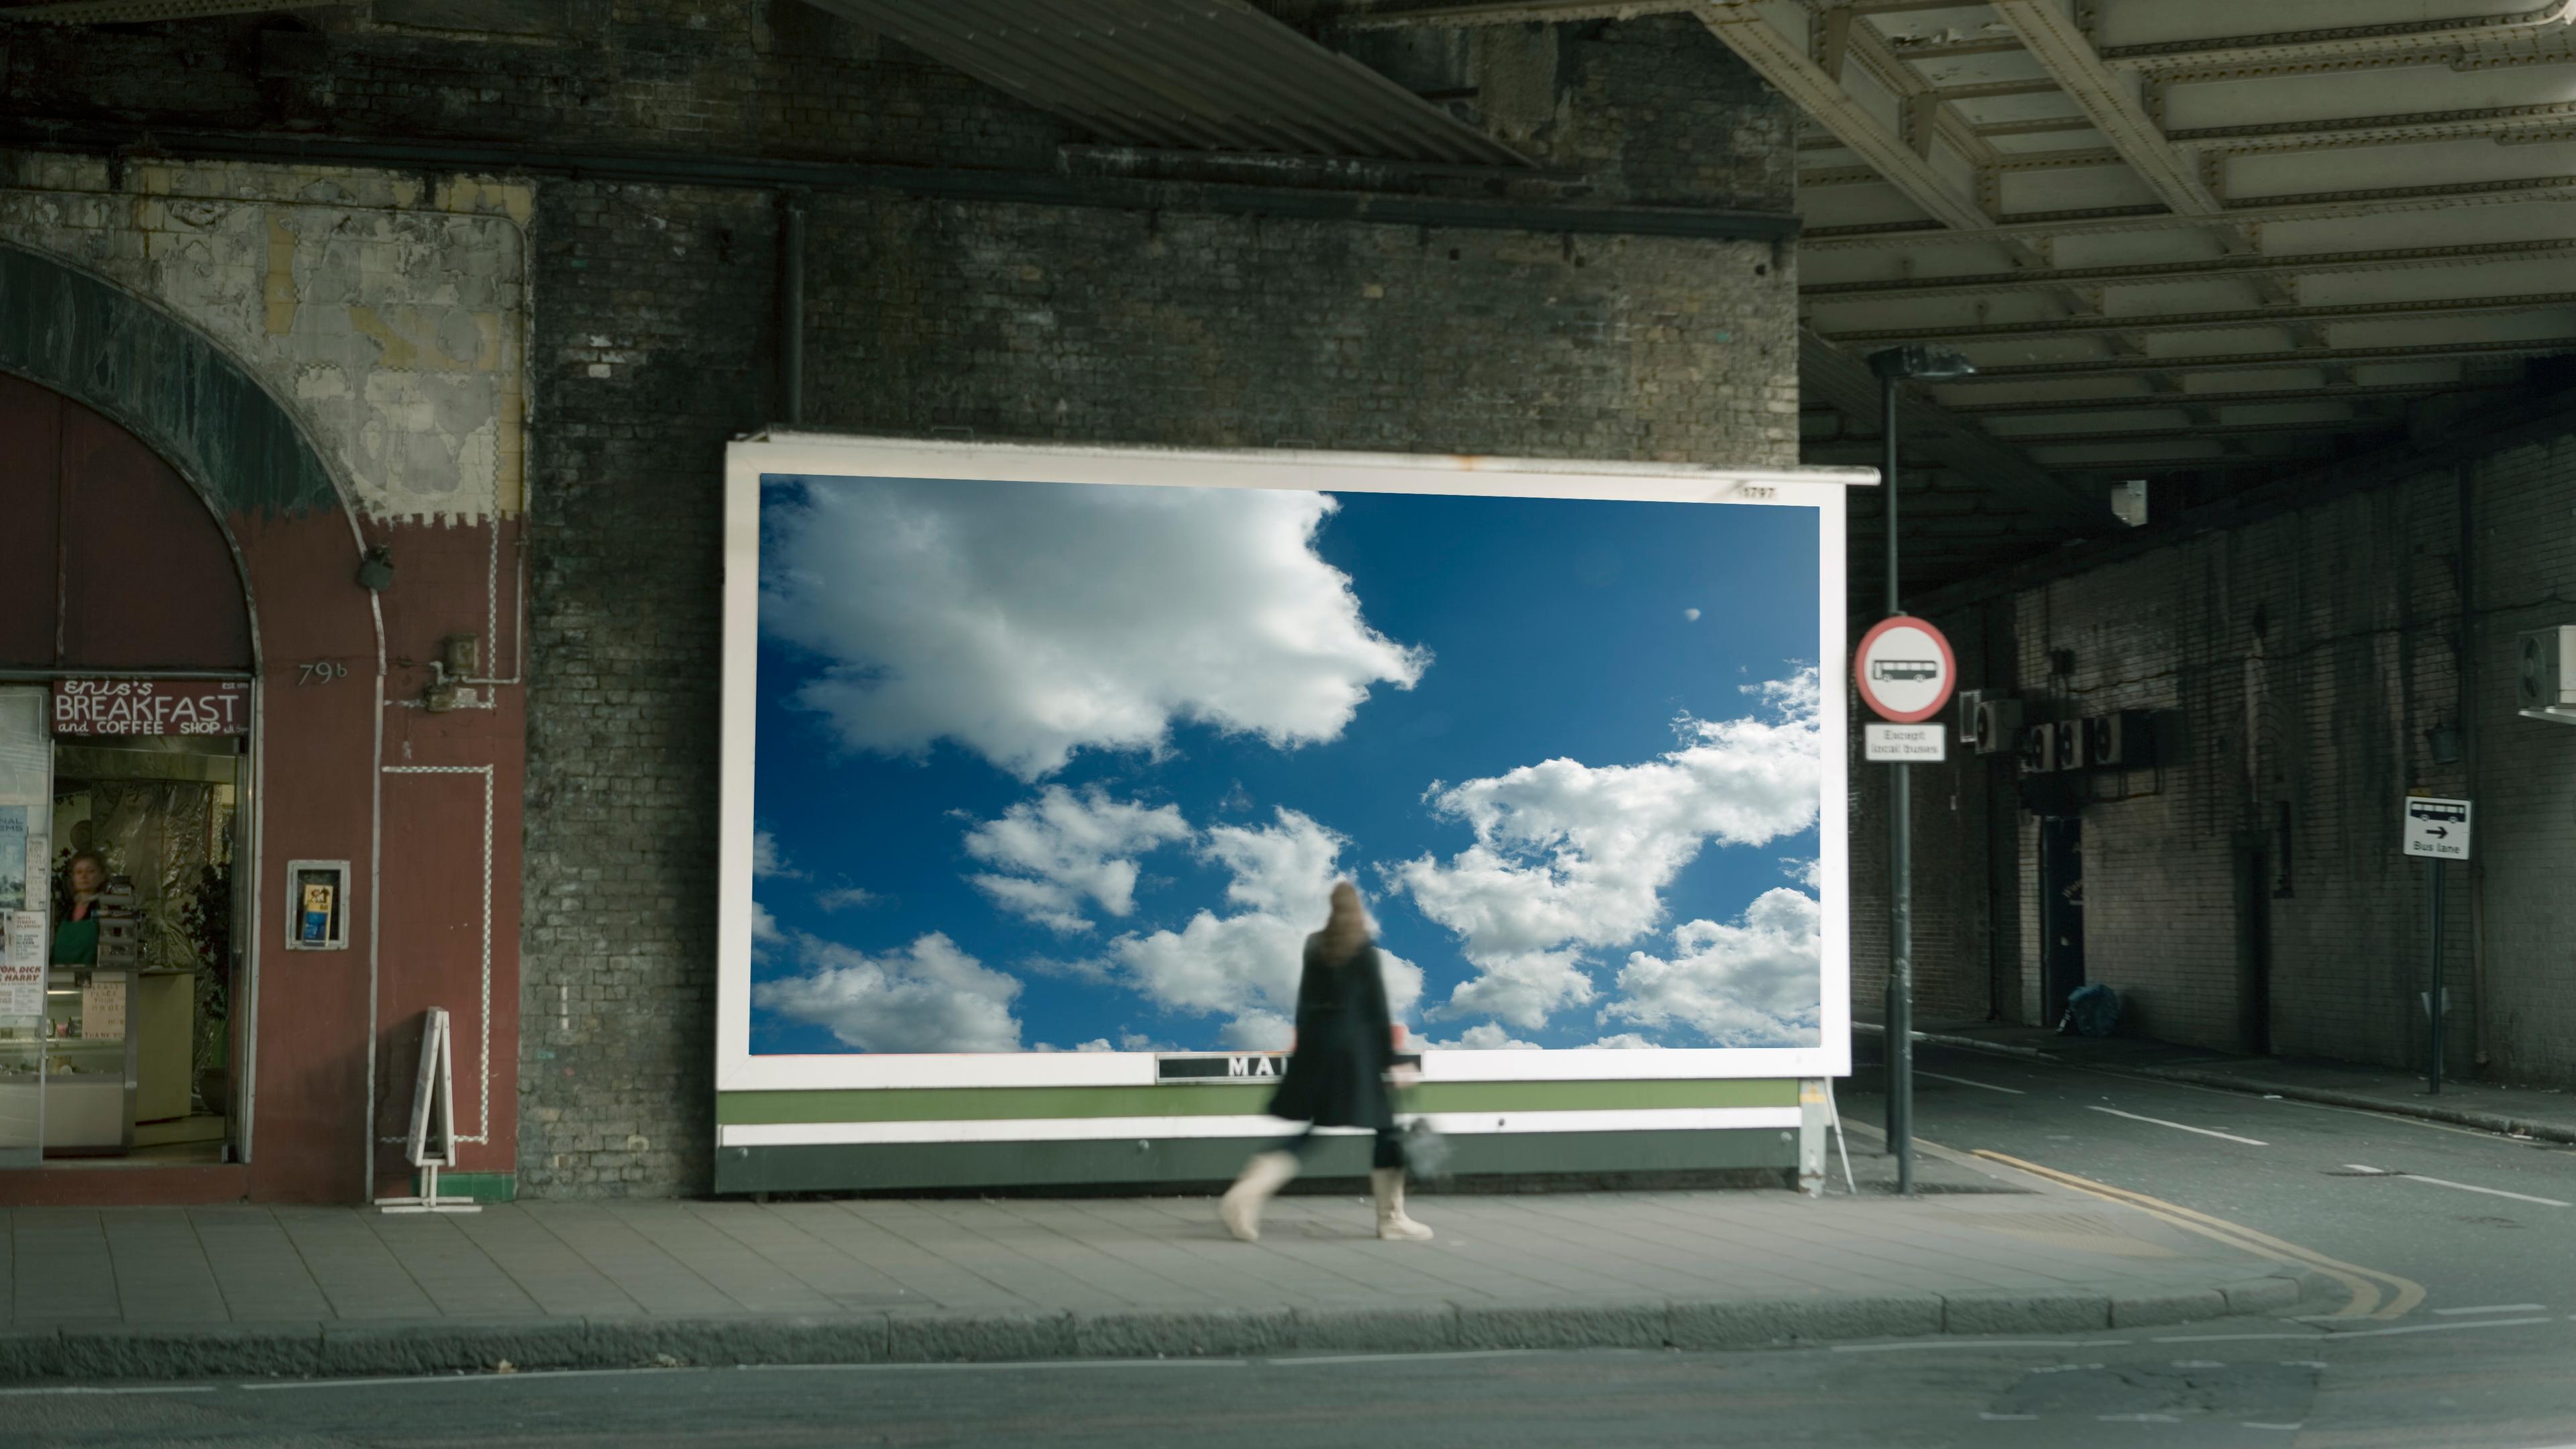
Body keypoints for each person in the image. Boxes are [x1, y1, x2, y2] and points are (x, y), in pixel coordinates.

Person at [1219, 881, 1433, 1244]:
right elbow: (1376, 1011)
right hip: (1356, 1051)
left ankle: (1247, 1192)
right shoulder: (1363, 950)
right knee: (1386, 1130)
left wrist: (1306, 1052)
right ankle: (1391, 1219)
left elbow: (1304, 1004)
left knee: (1314, 1128)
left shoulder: (1315, 945)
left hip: (1319, 1046)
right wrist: (1393, 1061)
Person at [52, 851, 107, 966]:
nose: (84, 876)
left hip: (92, 979)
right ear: (73, 878)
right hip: (59, 978)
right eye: (79, 872)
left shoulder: (104, 908)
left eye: (90, 871)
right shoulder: (64, 910)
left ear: (102, 876)